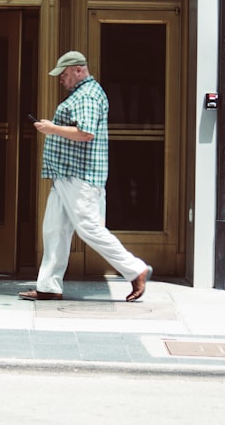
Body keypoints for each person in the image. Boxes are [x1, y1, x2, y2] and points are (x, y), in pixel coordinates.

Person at [19, 50, 153, 302]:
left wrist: (51, 128)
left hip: (79, 176)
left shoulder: (87, 95)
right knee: (54, 230)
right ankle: (48, 286)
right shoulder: (84, 94)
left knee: (89, 228)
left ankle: (135, 269)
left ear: (79, 70)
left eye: (64, 74)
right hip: (68, 175)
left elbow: (85, 132)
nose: (61, 79)